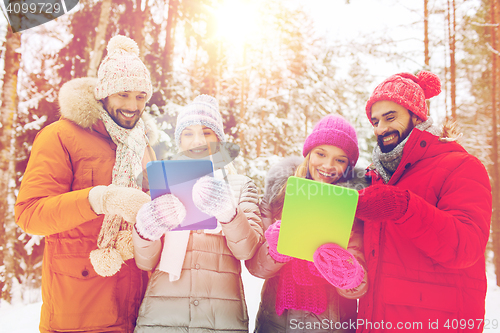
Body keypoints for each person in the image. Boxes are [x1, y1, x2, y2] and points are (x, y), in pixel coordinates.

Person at [15, 35, 158, 332]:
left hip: (137, 312)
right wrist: (99, 199)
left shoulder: (141, 144)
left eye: (141, 96)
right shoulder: (61, 136)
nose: (133, 106)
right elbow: (30, 215)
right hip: (78, 312)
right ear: (104, 94)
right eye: (123, 94)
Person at [356, 71, 492, 332]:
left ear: (416, 115)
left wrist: (403, 206)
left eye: (390, 117)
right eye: (375, 121)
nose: (381, 128)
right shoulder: (377, 177)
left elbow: (466, 247)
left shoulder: (461, 166)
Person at [132, 95, 264, 332]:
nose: (198, 141)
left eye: (207, 132)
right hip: (163, 318)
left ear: (219, 140)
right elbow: (146, 262)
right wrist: (145, 230)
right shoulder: (163, 181)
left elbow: (248, 250)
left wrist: (228, 213)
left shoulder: (240, 185)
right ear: (180, 141)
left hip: (221, 320)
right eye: (188, 133)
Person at [246, 114, 369, 333]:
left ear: (348, 166)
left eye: (340, 159)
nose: (328, 165)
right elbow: (256, 268)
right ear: (309, 153)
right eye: (321, 154)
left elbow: (358, 284)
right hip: (275, 323)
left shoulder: (353, 207)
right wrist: (276, 249)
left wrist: (347, 273)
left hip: (332, 324)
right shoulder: (278, 197)